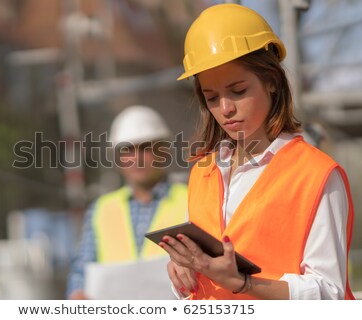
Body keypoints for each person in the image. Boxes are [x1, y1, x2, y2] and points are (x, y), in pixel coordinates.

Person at [158, 4, 355, 300]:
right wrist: (182, 272)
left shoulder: (316, 175)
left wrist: (243, 283)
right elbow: (203, 285)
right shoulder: (204, 171)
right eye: (212, 97)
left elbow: (330, 295)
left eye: (238, 91)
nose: (225, 109)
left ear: (272, 81)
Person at [66, 105, 188, 299]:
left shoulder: (192, 199)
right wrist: (77, 294)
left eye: (145, 148)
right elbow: (82, 269)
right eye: (128, 149)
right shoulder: (101, 209)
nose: (137, 157)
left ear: (164, 150)